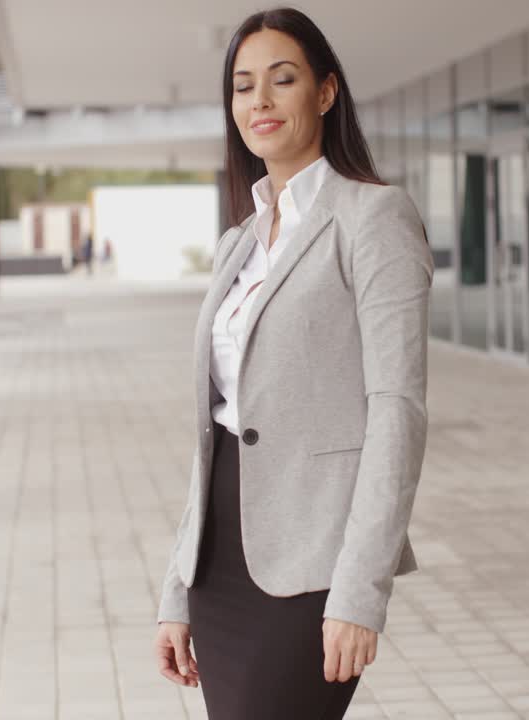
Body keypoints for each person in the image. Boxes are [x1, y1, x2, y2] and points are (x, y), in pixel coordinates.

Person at [151, 7, 432, 719]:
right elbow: (215, 429)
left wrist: (361, 591)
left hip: (313, 563)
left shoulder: (373, 219)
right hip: (220, 563)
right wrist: (176, 589)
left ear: (326, 92)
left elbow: (397, 412)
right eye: (243, 86)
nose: (261, 101)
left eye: (282, 79)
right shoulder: (237, 243)